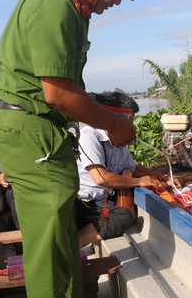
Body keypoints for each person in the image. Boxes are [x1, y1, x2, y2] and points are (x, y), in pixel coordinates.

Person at [0, 0, 163, 298]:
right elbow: (58, 93)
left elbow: (69, 89)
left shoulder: (74, 7)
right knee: (47, 248)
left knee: (62, 236)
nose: (117, 1)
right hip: (31, 132)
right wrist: (115, 124)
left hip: (46, 134)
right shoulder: (56, 4)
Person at [75, 92, 181, 246]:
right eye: (128, 124)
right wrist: (138, 182)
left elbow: (132, 167)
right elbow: (101, 178)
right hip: (83, 203)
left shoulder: (118, 141)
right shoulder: (89, 136)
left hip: (100, 204)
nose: (131, 128)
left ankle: (79, 239)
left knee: (124, 215)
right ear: (114, 119)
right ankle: (72, 245)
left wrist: (164, 177)